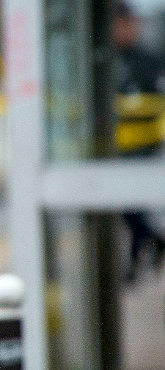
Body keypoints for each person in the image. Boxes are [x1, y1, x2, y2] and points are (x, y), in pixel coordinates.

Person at [113, 1, 165, 281]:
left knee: (133, 206)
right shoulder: (106, 62)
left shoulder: (148, 62)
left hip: (144, 149)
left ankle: (139, 257)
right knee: (127, 208)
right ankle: (150, 244)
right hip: (116, 151)